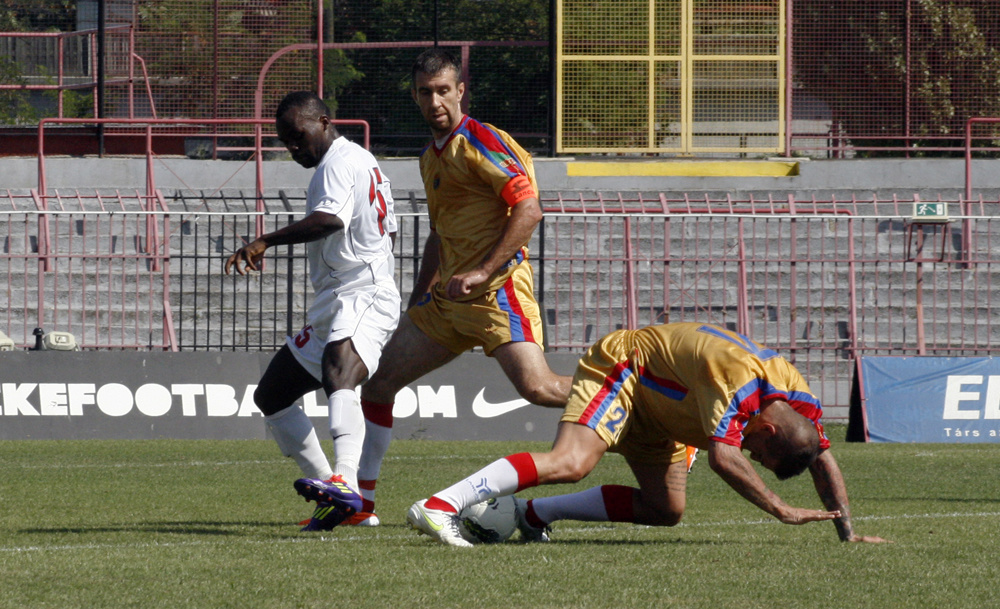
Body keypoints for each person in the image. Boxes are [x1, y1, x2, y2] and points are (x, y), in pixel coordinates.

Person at [406, 322, 890, 547]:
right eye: (762, 453)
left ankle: (531, 516)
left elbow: (822, 457)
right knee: (573, 463)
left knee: (667, 510)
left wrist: (846, 532)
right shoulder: (736, 382)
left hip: (664, 407)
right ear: (765, 428)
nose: (755, 456)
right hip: (626, 368)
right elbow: (725, 459)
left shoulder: (798, 401)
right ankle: (440, 505)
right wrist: (781, 509)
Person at [352, 48, 573, 522]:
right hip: (447, 304)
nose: (435, 101)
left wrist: (484, 270)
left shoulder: (483, 141)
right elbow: (439, 231)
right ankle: (361, 503)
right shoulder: (430, 157)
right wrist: (415, 302)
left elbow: (529, 210)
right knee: (378, 384)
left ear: (460, 92)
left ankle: (646, 408)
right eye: (425, 92)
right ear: (415, 96)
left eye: (443, 91)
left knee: (539, 388)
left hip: (497, 293)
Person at [225, 90, 400, 531]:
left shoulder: (339, 163)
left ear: (323, 121)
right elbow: (386, 231)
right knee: (273, 394)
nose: (294, 148)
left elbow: (330, 220)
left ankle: (344, 479)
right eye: (286, 143)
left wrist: (264, 240)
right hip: (339, 296)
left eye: (298, 137)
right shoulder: (357, 161)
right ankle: (339, 497)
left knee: (338, 370)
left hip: (361, 292)